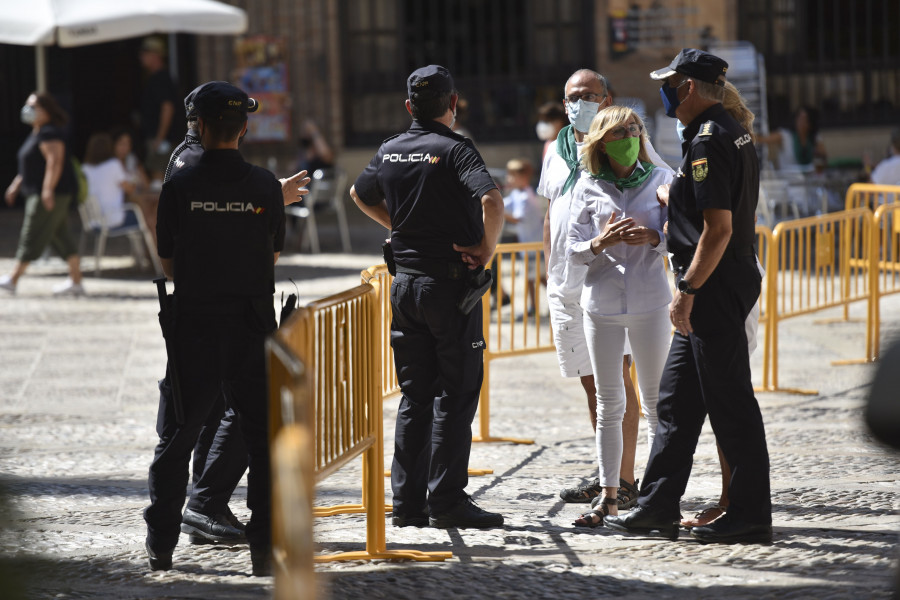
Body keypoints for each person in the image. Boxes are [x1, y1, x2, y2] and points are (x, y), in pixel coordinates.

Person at [605, 48, 772, 544]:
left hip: (712, 288)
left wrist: (687, 291)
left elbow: (717, 229)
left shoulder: (709, 140)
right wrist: (675, 196)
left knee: (731, 404)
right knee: (677, 401)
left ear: (690, 88)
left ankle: (749, 514)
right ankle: (656, 506)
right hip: (716, 284)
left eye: (671, 85)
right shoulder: (726, 130)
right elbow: (710, 205)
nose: (667, 94)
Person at [350, 64, 505, 529]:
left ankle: (407, 504)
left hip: (405, 285)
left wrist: (399, 230)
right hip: (449, 288)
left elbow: (358, 193)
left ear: (408, 106)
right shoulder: (455, 149)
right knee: (456, 393)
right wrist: (486, 248)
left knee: (415, 394)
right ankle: (447, 501)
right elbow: (492, 202)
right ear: (453, 104)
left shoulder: (391, 149)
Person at [144, 81, 285, 576]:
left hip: (196, 325)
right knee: (264, 440)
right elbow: (271, 255)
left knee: (177, 438)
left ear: (198, 127)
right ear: (243, 128)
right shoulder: (267, 185)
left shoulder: (178, 184)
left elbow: (167, 259)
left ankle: (161, 543)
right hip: (251, 325)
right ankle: (264, 552)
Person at [541, 69, 667, 509]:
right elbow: (553, 213)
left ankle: (631, 481)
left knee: (630, 391)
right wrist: (549, 271)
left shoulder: (636, 147)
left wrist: (654, 236)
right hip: (571, 286)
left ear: (605, 97)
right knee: (595, 387)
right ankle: (607, 476)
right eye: (572, 96)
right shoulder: (556, 151)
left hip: (630, 291)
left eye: (589, 95)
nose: (579, 103)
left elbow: (671, 205)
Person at [566, 105, 673, 527]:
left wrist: (654, 236)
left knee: (656, 404)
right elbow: (570, 250)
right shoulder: (588, 186)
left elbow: (681, 239)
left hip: (649, 303)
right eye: (618, 132)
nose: (629, 137)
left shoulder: (663, 180)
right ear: (600, 144)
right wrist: (599, 243)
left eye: (634, 129)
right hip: (602, 305)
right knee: (611, 403)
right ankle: (609, 497)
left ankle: (659, 498)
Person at [1, 92, 84, 296]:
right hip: (43, 192)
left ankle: (13, 278)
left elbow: (54, 162)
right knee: (60, 236)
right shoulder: (37, 133)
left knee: (32, 232)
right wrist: (16, 184)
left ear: (46, 110)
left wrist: (48, 190)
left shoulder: (50, 133)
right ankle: (76, 282)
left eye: (33, 106)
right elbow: (31, 166)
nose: (28, 110)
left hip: (48, 194)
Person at [503, 158, 546, 317]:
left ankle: (541, 307)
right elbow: (503, 204)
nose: (509, 179)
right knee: (533, 278)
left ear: (524, 177)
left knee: (537, 278)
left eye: (512, 175)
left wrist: (497, 211)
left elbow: (517, 217)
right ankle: (534, 307)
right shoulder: (517, 193)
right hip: (528, 247)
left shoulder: (525, 197)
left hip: (533, 246)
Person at [139, 36, 181, 185]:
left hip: (163, 141)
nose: (141, 57)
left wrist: (160, 138)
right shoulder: (157, 78)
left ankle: (161, 208)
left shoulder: (160, 78)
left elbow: (167, 107)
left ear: (155, 55)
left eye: (145, 53)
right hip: (162, 139)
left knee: (159, 179)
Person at [81, 132, 135, 228]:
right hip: (112, 218)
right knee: (146, 215)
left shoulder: (84, 168)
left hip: (91, 220)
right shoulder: (113, 165)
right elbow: (129, 189)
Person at [758, 105, 827, 174]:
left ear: (810, 123)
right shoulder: (785, 136)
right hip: (788, 179)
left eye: (804, 119)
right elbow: (762, 139)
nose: (800, 122)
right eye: (799, 118)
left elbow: (822, 159)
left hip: (809, 179)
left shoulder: (814, 138)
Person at [111, 129, 150, 193]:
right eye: (121, 144)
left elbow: (146, 185)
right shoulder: (110, 164)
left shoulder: (133, 160)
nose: (125, 148)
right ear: (114, 145)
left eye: (128, 144)